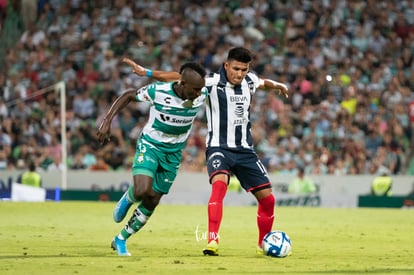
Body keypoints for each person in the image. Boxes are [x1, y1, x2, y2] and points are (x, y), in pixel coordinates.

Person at [124, 46, 289, 256]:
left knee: (268, 199)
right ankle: (212, 240)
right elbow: (179, 76)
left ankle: (262, 245)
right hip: (219, 148)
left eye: (244, 70)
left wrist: (278, 85)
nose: (239, 74)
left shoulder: (250, 80)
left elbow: (264, 82)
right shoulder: (210, 82)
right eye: (236, 69)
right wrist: (147, 73)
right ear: (226, 65)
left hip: (245, 150)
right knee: (219, 187)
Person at [96, 61, 207, 256]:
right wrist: (107, 121)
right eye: (196, 89)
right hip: (151, 145)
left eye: (201, 89)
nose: (200, 94)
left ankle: (121, 239)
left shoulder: (202, 91)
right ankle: (129, 197)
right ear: (183, 84)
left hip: (173, 153)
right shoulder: (159, 91)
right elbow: (129, 94)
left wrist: (147, 71)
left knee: (153, 200)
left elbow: (174, 75)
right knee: (141, 191)